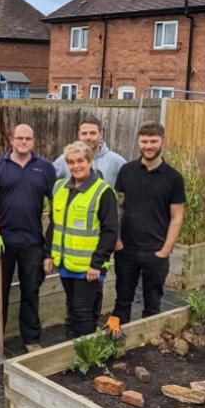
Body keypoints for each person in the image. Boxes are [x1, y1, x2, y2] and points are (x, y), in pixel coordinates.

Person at [0, 124, 55, 356]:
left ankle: (30, 338)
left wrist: (49, 247)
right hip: (4, 242)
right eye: (19, 138)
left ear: (34, 140)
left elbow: (56, 208)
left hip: (32, 242)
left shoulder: (45, 169)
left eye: (28, 138)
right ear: (11, 139)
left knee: (31, 291)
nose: (23, 141)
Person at [107, 121, 186, 339]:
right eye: (144, 141)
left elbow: (177, 217)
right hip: (127, 250)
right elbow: (118, 207)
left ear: (162, 142)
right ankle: (116, 343)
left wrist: (165, 250)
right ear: (139, 142)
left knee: (152, 302)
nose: (148, 145)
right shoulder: (127, 171)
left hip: (156, 251)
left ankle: (148, 345)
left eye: (153, 141)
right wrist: (117, 241)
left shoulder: (173, 178)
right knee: (122, 300)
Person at [53, 116, 126, 326]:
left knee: (85, 304)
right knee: (76, 305)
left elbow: (125, 196)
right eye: (84, 133)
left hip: (97, 247)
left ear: (100, 134)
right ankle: (83, 334)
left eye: (92, 133)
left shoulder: (116, 162)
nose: (88, 137)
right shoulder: (62, 162)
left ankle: (88, 334)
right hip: (73, 253)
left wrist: (102, 256)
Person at [43, 141, 118, 339]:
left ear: (90, 161)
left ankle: (84, 353)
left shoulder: (103, 191)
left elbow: (110, 231)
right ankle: (76, 347)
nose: (76, 166)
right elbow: (54, 224)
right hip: (66, 263)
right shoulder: (59, 188)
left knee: (80, 309)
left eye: (80, 161)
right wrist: (48, 253)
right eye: (71, 162)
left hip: (89, 268)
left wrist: (97, 263)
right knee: (74, 307)